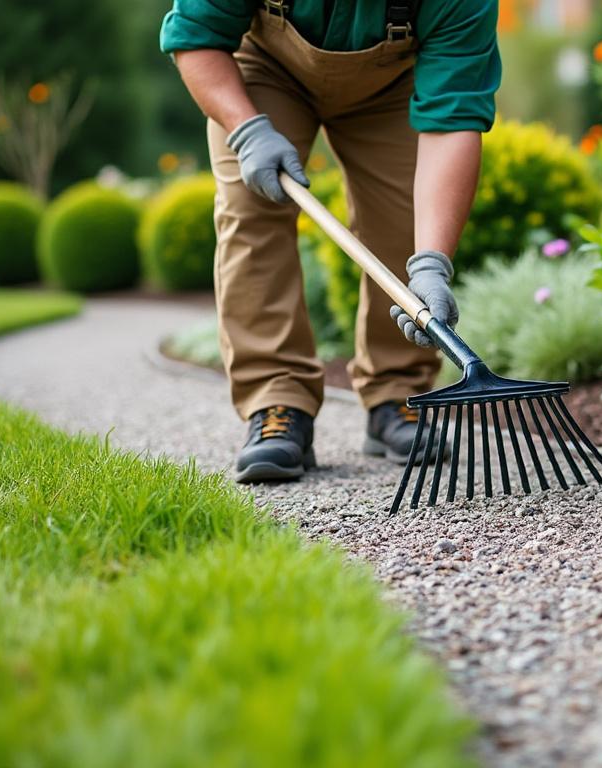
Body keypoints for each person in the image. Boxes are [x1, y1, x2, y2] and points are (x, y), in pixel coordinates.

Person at [160, 0, 499, 482]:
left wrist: (431, 264)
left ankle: (396, 393)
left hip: (393, 84)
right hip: (264, 71)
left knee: (406, 223)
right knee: (252, 210)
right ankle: (277, 401)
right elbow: (196, 35)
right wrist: (247, 129)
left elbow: (454, 116)